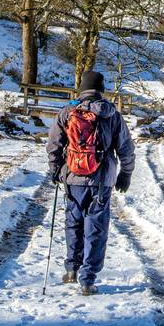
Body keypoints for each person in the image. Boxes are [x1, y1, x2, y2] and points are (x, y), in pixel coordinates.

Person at [45, 70, 135, 295]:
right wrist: (125, 174)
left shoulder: (68, 111)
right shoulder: (111, 114)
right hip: (101, 180)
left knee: (73, 222)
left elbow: (54, 144)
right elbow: (126, 148)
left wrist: (56, 170)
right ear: (101, 89)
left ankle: (71, 269)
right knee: (95, 227)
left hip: (73, 177)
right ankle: (88, 280)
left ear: (82, 88)